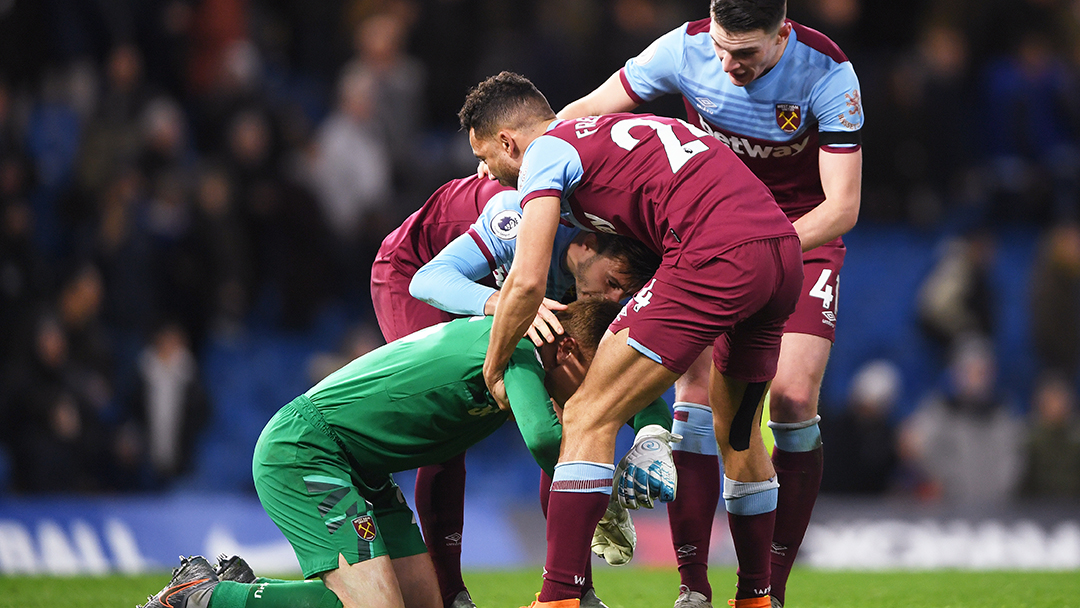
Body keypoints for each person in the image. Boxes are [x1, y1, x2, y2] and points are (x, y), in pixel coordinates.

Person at [551, 2, 863, 605]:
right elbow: (581, 115)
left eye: (745, 54)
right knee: (692, 397)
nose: (727, 64)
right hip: (698, 234)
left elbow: (842, 205)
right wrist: (528, 170)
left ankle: (768, 589)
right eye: (721, 48)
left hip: (799, 237)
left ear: (783, 33)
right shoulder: (683, 48)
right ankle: (692, 587)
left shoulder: (827, 74)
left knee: (793, 400)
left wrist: (751, 249)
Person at [461, 72, 802, 608]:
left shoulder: (548, 152)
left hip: (715, 250)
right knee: (739, 434)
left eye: (489, 157)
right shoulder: (616, 130)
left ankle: (558, 598)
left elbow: (526, 283)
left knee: (587, 414)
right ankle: (756, 597)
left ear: (508, 142)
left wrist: (495, 363)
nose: (490, 173)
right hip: (783, 253)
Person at [140, 298, 629, 608]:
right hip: (309, 449)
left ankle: (245, 591)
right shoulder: (520, 345)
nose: (591, 394)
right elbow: (544, 439)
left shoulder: (523, 357)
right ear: (565, 349)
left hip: (363, 472)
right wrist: (597, 499)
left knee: (421, 603)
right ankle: (202, 597)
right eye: (591, 377)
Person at [374, 175, 667, 608]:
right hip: (416, 270)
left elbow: (620, 380)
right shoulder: (524, 213)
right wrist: (509, 304)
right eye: (616, 282)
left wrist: (654, 434)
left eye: (626, 294)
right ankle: (448, 592)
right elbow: (428, 280)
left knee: (578, 416)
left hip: (505, 287)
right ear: (594, 240)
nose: (613, 299)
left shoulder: (592, 285)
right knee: (448, 429)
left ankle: (573, 588)